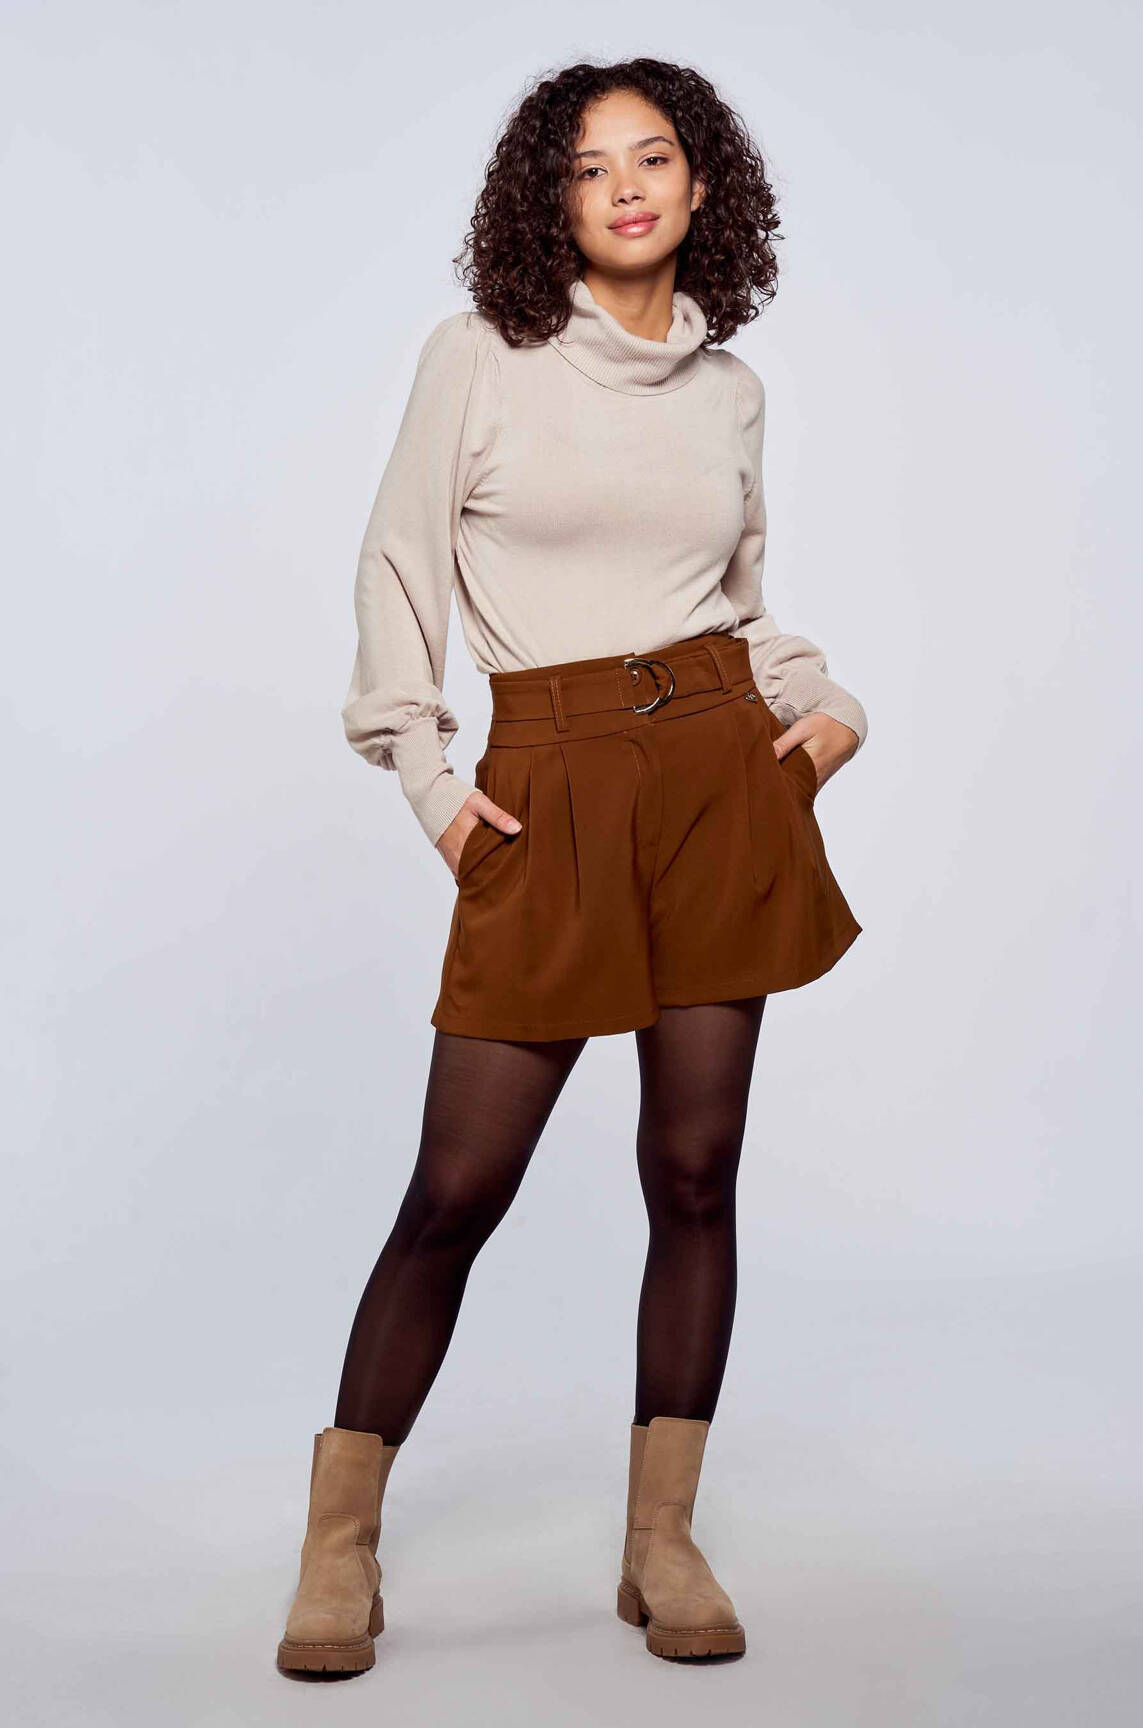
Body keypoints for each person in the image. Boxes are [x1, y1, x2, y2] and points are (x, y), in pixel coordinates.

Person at [276, 56, 867, 1675]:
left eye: (653, 157)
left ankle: (661, 1543)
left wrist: (827, 711)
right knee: (458, 1189)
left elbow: (740, 606)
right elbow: (398, 570)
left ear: (701, 184)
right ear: (551, 199)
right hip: (548, 777)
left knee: (695, 1173)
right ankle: (339, 1549)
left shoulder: (729, 390)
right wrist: (429, 780)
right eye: (590, 165)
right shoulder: (479, 357)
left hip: (718, 774)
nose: (624, 186)